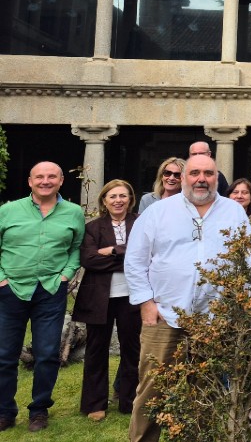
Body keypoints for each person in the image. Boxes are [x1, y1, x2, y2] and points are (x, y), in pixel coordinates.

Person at [126, 154, 250, 442]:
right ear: (183, 178)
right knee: (153, 387)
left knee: (206, 389)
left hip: (215, 317)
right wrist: (146, 302)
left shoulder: (233, 211)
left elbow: (249, 259)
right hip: (164, 315)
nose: (201, 179)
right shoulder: (158, 212)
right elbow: (135, 260)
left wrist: (240, 303)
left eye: (208, 173)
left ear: (217, 178)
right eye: (194, 173)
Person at [0, 162, 83, 433]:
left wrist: (66, 274)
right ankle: (4, 411)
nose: (45, 181)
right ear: (30, 181)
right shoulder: (8, 211)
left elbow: (76, 248)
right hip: (10, 290)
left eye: (51, 177)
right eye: (39, 177)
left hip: (50, 290)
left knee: (47, 354)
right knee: (4, 355)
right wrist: (2, 279)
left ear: (61, 181)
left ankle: (39, 410)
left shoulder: (73, 213)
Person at [76, 180, 141, 422]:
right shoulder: (93, 227)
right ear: (104, 200)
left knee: (132, 349)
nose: (118, 200)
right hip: (98, 297)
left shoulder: (140, 222)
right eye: (112, 196)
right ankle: (95, 403)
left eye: (123, 196)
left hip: (132, 296)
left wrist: (113, 250)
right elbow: (89, 260)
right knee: (96, 349)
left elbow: (145, 254)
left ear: (130, 199)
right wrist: (127, 256)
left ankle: (130, 401)